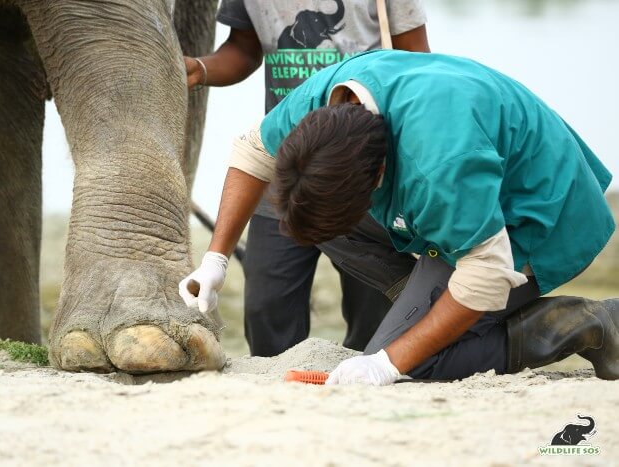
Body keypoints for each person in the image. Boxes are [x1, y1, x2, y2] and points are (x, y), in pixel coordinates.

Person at [179, 50, 618, 384]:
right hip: (459, 204)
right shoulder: (328, 101)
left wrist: (388, 363)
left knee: (416, 363)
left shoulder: (441, 166)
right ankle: (423, 296)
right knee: (303, 205)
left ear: (382, 176)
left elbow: (487, 272)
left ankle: (585, 324)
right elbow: (252, 149)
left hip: (536, 216)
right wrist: (215, 259)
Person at [184, 0, 430, 357]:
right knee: (266, 305)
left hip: (360, 172)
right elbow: (242, 50)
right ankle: (281, 389)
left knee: (376, 308)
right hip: (285, 166)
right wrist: (199, 69)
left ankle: (366, 374)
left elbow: (418, 68)